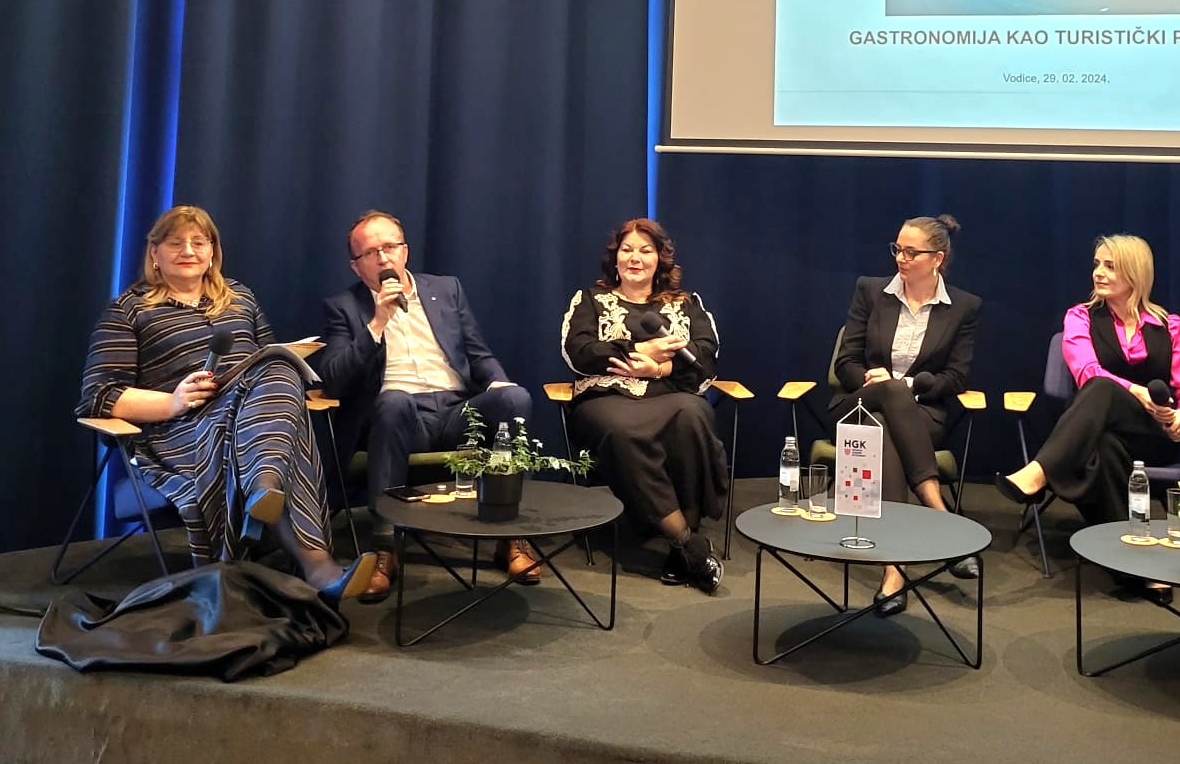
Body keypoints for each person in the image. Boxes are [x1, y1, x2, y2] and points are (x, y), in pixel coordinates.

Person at [76, 205, 377, 604]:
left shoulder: (241, 299)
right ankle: (317, 563)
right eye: (175, 243)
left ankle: (264, 487)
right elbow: (98, 395)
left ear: (213, 252)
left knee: (280, 365)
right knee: (284, 429)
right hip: (184, 430)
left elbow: (271, 358)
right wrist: (173, 402)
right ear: (154, 253)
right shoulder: (129, 311)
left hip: (255, 420)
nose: (188, 250)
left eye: (199, 242)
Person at [314, 210, 539, 604]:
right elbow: (333, 378)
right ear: (356, 265)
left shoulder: (446, 289)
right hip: (399, 419)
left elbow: (478, 354)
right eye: (371, 252)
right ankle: (385, 547)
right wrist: (376, 324)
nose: (383, 258)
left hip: (457, 412)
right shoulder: (344, 307)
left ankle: (511, 537)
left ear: (405, 251)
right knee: (394, 400)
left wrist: (499, 382)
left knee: (515, 397)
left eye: (390, 247)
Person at [993, 235, 1180, 599]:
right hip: (1096, 433)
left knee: (1104, 392)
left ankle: (1040, 471)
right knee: (1104, 434)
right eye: (1097, 264)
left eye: (1110, 266)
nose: (1098, 273)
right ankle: (1137, 566)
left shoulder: (1170, 326)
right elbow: (1086, 371)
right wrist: (1136, 390)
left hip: (1152, 433)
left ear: (1135, 272)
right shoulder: (1080, 317)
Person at [558, 218, 729, 594]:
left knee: (693, 416)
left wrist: (660, 367)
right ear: (615, 258)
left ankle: (681, 545)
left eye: (645, 250)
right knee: (624, 430)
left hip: (671, 393)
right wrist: (638, 349)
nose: (635, 258)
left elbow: (705, 358)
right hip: (609, 398)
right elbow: (578, 352)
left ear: (660, 259)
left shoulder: (686, 304)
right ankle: (685, 541)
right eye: (627, 250)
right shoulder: (590, 300)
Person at [830, 213, 983, 615]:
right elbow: (846, 362)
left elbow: (956, 377)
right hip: (860, 405)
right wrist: (876, 382)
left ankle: (893, 570)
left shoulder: (964, 307)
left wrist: (908, 385)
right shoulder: (871, 291)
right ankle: (940, 514)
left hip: (921, 416)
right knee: (888, 400)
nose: (901, 258)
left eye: (912, 252)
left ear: (938, 259)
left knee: (886, 428)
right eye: (898, 249)